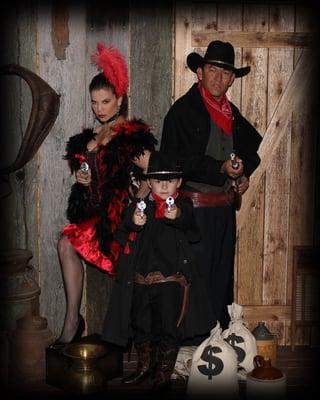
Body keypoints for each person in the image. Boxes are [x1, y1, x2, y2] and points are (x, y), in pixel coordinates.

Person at [53, 42, 157, 345]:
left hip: (124, 219)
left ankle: (128, 336)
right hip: (97, 215)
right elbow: (87, 175)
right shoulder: (93, 135)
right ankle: (73, 319)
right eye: (94, 102)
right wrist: (83, 179)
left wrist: (138, 200)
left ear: (120, 99)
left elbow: (154, 175)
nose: (99, 109)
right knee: (65, 243)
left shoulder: (134, 136)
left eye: (106, 101)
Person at [160, 40, 262, 331]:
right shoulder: (181, 112)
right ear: (200, 73)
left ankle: (218, 343)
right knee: (194, 279)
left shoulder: (233, 115)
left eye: (225, 73)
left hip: (224, 212)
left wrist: (242, 174)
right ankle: (191, 345)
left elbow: (253, 151)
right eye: (213, 69)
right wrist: (218, 168)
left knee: (220, 279)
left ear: (232, 79)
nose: (218, 77)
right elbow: (173, 162)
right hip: (192, 213)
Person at [102, 151, 216, 391]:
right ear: (149, 182)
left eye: (170, 180)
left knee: (168, 327)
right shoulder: (139, 206)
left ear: (179, 183)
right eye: (158, 180)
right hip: (140, 281)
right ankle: (144, 366)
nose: (164, 185)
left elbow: (192, 229)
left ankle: (163, 374)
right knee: (141, 325)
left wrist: (177, 217)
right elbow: (121, 235)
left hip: (170, 283)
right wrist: (134, 221)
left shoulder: (182, 204)